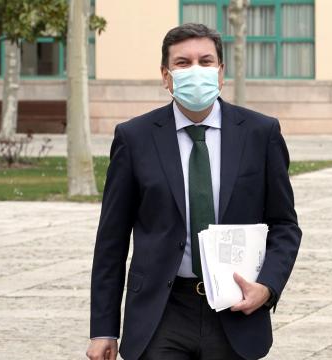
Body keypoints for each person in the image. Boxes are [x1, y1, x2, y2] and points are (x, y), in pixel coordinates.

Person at [86, 23, 302, 360]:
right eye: (183, 63)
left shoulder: (261, 133)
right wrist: (103, 328)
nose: (195, 70)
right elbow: (111, 240)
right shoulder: (134, 137)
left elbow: (285, 225)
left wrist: (268, 287)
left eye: (205, 61)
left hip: (235, 309)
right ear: (166, 75)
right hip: (161, 312)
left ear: (221, 71)